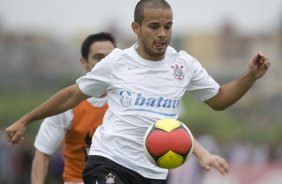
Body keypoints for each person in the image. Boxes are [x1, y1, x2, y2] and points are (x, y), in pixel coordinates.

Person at [5, 0, 270, 183]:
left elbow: (220, 100)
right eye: (154, 26)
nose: (162, 33)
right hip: (109, 162)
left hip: (154, 173)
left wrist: (251, 77)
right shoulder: (117, 61)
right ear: (136, 28)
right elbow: (73, 94)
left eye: (168, 26)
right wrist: (26, 119)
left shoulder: (183, 65)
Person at [31, 32, 116, 184]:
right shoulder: (67, 105)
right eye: (98, 58)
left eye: (110, 58)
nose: (105, 64)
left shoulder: (128, 100)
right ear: (84, 62)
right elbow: (42, 153)